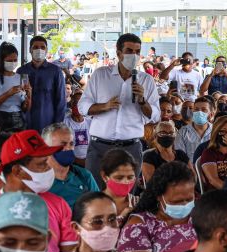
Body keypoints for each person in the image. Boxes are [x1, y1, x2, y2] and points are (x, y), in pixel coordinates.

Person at [79, 33, 160, 181]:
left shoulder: (146, 80)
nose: (134, 55)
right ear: (118, 53)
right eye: (129, 51)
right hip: (100, 147)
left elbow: (154, 115)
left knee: (126, 195)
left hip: (131, 147)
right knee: (95, 194)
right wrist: (105, 106)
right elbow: (83, 106)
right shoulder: (100, 75)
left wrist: (142, 100)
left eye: (137, 52)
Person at [0, 130, 77, 252]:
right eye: (42, 164)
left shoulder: (59, 204)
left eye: (48, 161)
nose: (49, 168)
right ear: (18, 171)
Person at [118, 161, 197, 252]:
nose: (185, 205)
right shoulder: (139, 227)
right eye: (177, 201)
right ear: (159, 197)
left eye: (189, 199)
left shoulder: (200, 217)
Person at [39, 123, 100, 207]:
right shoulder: (38, 180)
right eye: (62, 144)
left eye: (71, 144)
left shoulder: (84, 175)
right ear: (46, 148)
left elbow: (99, 206)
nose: (68, 148)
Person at [17, 36, 67, 132]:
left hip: (48, 124)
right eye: (35, 47)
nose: (39, 50)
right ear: (30, 50)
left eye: (42, 47)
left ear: (46, 50)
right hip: (25, 123)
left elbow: (61, 100)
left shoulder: (55, 71)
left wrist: (57, 125)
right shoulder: (21, 71)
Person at [0, 42, 27, 132]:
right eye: (9, 61)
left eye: (15, 60)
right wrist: (8, 93)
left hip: (18, 120)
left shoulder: (20, 77)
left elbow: (25, 108)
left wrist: (29, 95)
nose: (13, 63)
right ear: (1, 60)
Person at [99, 148, 138, 220]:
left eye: (130, 177)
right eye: (119, 178)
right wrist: (121, 217)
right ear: (104, 176)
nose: (125, 182)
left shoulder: (138, 204)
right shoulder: (93, 204)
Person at [175, 97, 213, 163]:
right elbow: (180, 156)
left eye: (204, 110)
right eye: (196, 109)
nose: (199, 112)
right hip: (188, 171)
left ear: (211, 114)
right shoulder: (183, 132)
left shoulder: (216, 131)